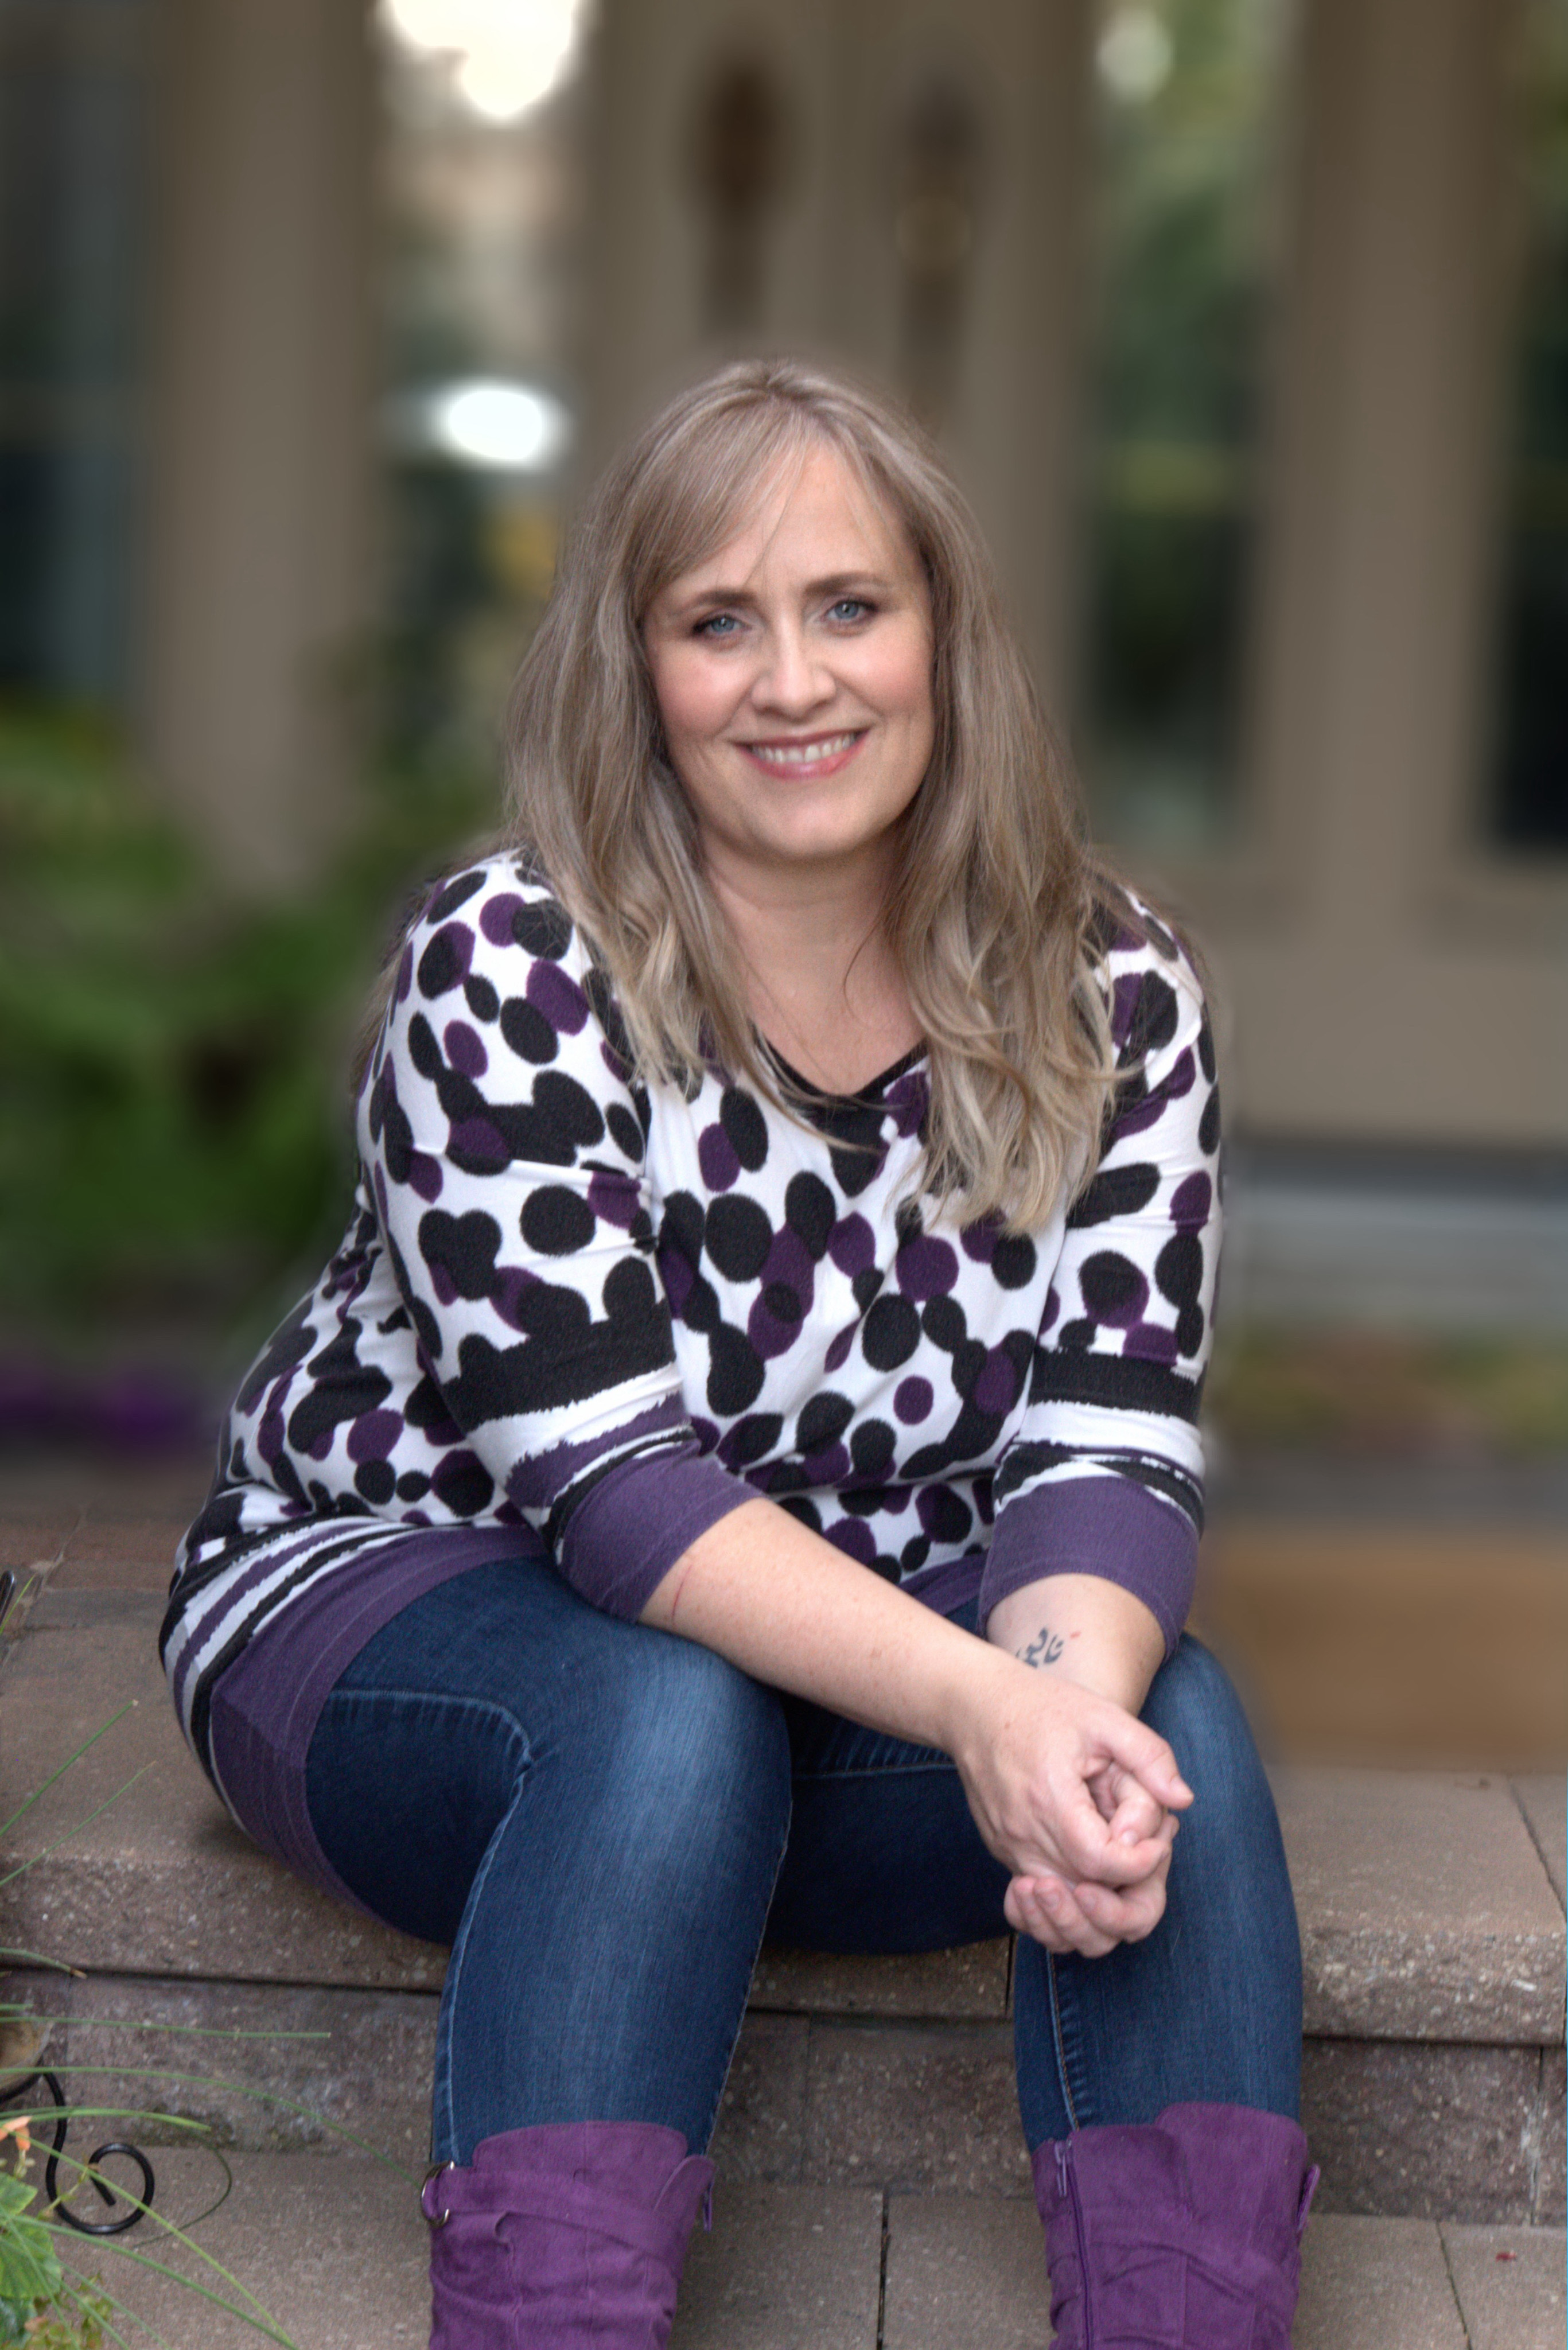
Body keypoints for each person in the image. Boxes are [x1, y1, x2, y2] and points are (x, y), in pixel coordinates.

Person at [161, 358, 1315, 2349]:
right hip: (401, 1615)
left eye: (850, 606)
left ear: (945, 634)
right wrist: (982, 1709)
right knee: (661, 1712)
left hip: (838, 1684)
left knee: (1167, 1737)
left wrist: (1052, 1725)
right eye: (719, 623)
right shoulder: (512, 964)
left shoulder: (1113, 986)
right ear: (640, 672)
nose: (794, 682)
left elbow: (1105, 1447)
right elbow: (614, 1501)